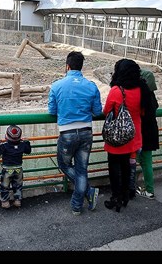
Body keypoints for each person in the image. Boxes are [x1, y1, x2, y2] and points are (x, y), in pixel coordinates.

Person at [48, 51, 102, 216]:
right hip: (86, 132)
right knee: (82, 169)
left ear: (67, 66)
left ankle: (87, 192)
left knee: (64, 164)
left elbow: (52, 111)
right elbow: (98, 111)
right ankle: (77, 205)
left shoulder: (56, 86)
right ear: (81, 66)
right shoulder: (91, 86)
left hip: (67, 133)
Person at [103, 59, 153, 212]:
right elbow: (144, 112)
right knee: (126, 169)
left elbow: (106, 112)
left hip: (117, 138)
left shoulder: (116, 90)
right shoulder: (142, 89)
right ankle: (125, 197)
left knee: (114, 169)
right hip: (133, 136)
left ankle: (115, 198)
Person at [128, 69, 159, 200]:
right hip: (151, 132)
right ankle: (147, 188)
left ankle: (149, 191)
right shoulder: (151, 97)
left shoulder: (142, 97)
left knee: (145, 162)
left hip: (143, 133)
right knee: (145, 161)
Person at [0, 125, 32, 209]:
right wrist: (27, 142)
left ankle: (5, 202)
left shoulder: (4, 146)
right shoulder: (22, 146)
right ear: (20, 137)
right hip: (18, 169)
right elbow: (28, 150)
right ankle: (17, 200)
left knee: (4, 186)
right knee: (18, 185)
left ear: (6, 136)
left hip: (7, 170)